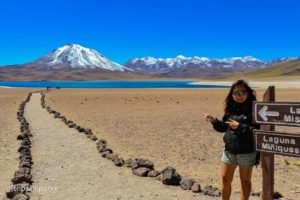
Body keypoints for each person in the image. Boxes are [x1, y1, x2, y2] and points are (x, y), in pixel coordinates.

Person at [203, 79, 259, 200]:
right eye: (235, 93)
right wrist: (214, 121)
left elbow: (257, 131)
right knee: (225, 179)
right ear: (231, 94)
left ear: (248, 93)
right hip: (229, 151)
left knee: (245, 181)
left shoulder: (255, 110)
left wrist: (240, 126)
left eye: (242, 92)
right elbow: (224, 127)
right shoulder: (231, 109)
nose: (238, 96)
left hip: (247, 152)